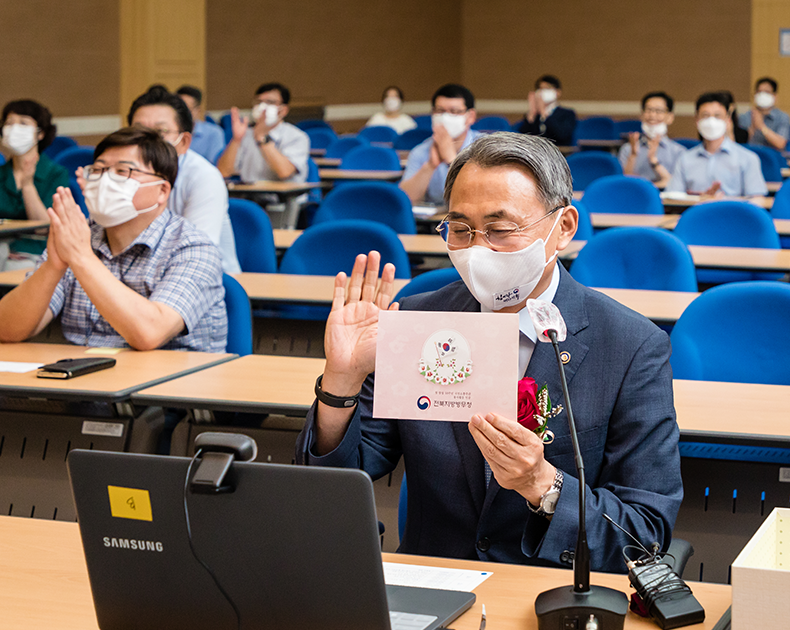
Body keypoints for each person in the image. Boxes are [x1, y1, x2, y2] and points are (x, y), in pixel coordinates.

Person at [296, 132, 682, 572]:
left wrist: (544, 485)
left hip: (552, 593)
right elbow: (337, 484)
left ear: (564, 228)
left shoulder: (631, 345)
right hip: (433, 582)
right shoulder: (422, 321)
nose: (478, 249)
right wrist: (341, 384)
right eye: (460, 230)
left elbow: (644, 532)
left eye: (500, 230)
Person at [0, 127, 227, 352]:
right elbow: (7, 329)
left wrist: (81, 258)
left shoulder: (194, 248)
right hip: (86, 381)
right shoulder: (77, 236)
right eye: (98, 171)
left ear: (162, 191)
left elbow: (150, 334)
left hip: (170, 383)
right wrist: (53, 266)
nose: (105, 180)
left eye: (123, 172)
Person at [123, 85, 240, 274]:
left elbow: (195, 254)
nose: (147, 140)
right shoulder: (123, 173)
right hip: (140, 276)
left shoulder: (204, 178)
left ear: (184, 141)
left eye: (161, 132)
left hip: (205, 280)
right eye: (139, 131)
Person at [0, 100, 70, 269]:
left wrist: (27, 184)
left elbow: (43, 227)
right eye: (9, 123)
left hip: (36, 251)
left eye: (23, 123)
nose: (15, 128)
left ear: (40, 133)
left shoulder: (56, 173)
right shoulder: (2, 173)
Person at [667, 92, 767, 198]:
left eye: (717, 116)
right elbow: (673, 197)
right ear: (696, 120)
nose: (711, 121)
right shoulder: (684, 159)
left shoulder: (748, 159)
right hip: (696, 212)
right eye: (705, 116)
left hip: (734, 213)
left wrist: (722, 201)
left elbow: (757, 200)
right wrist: (699, 199)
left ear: (728, 119)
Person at [400, 84, 480, 204]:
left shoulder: (485, 148)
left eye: (454, 111)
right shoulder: (421, 150)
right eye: (440, 111)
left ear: (471, 116)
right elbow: (405, 200)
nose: (446, 117)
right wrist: (430, 166)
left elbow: (480, 196)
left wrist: (451, 161)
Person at [216, 82, 309, 185]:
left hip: (283, 198)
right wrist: (236, 140)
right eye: (259, 102)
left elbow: (285, 172)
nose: (263, 107)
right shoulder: (246, 134)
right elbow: (223, 172)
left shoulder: (297, 137)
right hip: (249, 195)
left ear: (284, 110)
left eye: (270, 102)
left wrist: (262, 137)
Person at [618, 91, 685, 187]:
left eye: (659, 111)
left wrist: (654, 161)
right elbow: (624, 182)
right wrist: (633, 156)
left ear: (670, 117)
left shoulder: (679, 152)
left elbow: (675, 185)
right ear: (641, 115)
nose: (652, 116)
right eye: (648, 110)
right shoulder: (627, 149)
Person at [516, 75, 577, 147]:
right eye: (540, 89)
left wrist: (544, 113)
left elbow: (562, 135)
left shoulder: (567, 114)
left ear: (558, 92)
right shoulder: (534, 116)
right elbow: (524, 138)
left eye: (547, 88)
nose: (542, 92)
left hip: (559, 153)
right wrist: (532, 114)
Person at [176, 85, 227, 164]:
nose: (182, 113)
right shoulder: (169, 132)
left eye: (187, 109)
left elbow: (216, 166)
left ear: (198, 110)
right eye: (178, 108)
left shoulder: (214, 133)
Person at [739, 77, 790, 151]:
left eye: (767, 92)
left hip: (773, 159)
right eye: (759, 92)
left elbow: (781, 144)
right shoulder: (745, 116)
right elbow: (740, 144)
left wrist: (762, 127)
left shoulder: (782, 117)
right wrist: (752, 128)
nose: (762, 95)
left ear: (775, 96)